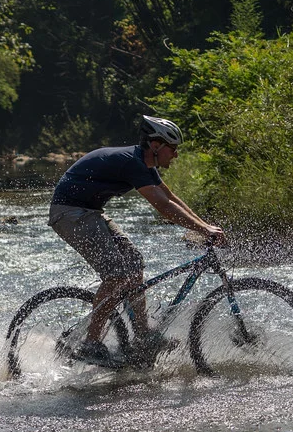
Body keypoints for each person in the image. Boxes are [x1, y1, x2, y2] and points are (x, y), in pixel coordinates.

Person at [48, 115, 226, 367]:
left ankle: (143, 335)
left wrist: (205, 226)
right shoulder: (132, 162)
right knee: (117, 276)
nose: (175, 155)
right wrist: (203, 229)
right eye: (172, 149)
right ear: (155, 146)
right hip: (70, 213)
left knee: (133, 263)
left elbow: (169, 195)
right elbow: (163, 207)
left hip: (89, 212)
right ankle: (90, 344)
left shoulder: (144, 164)